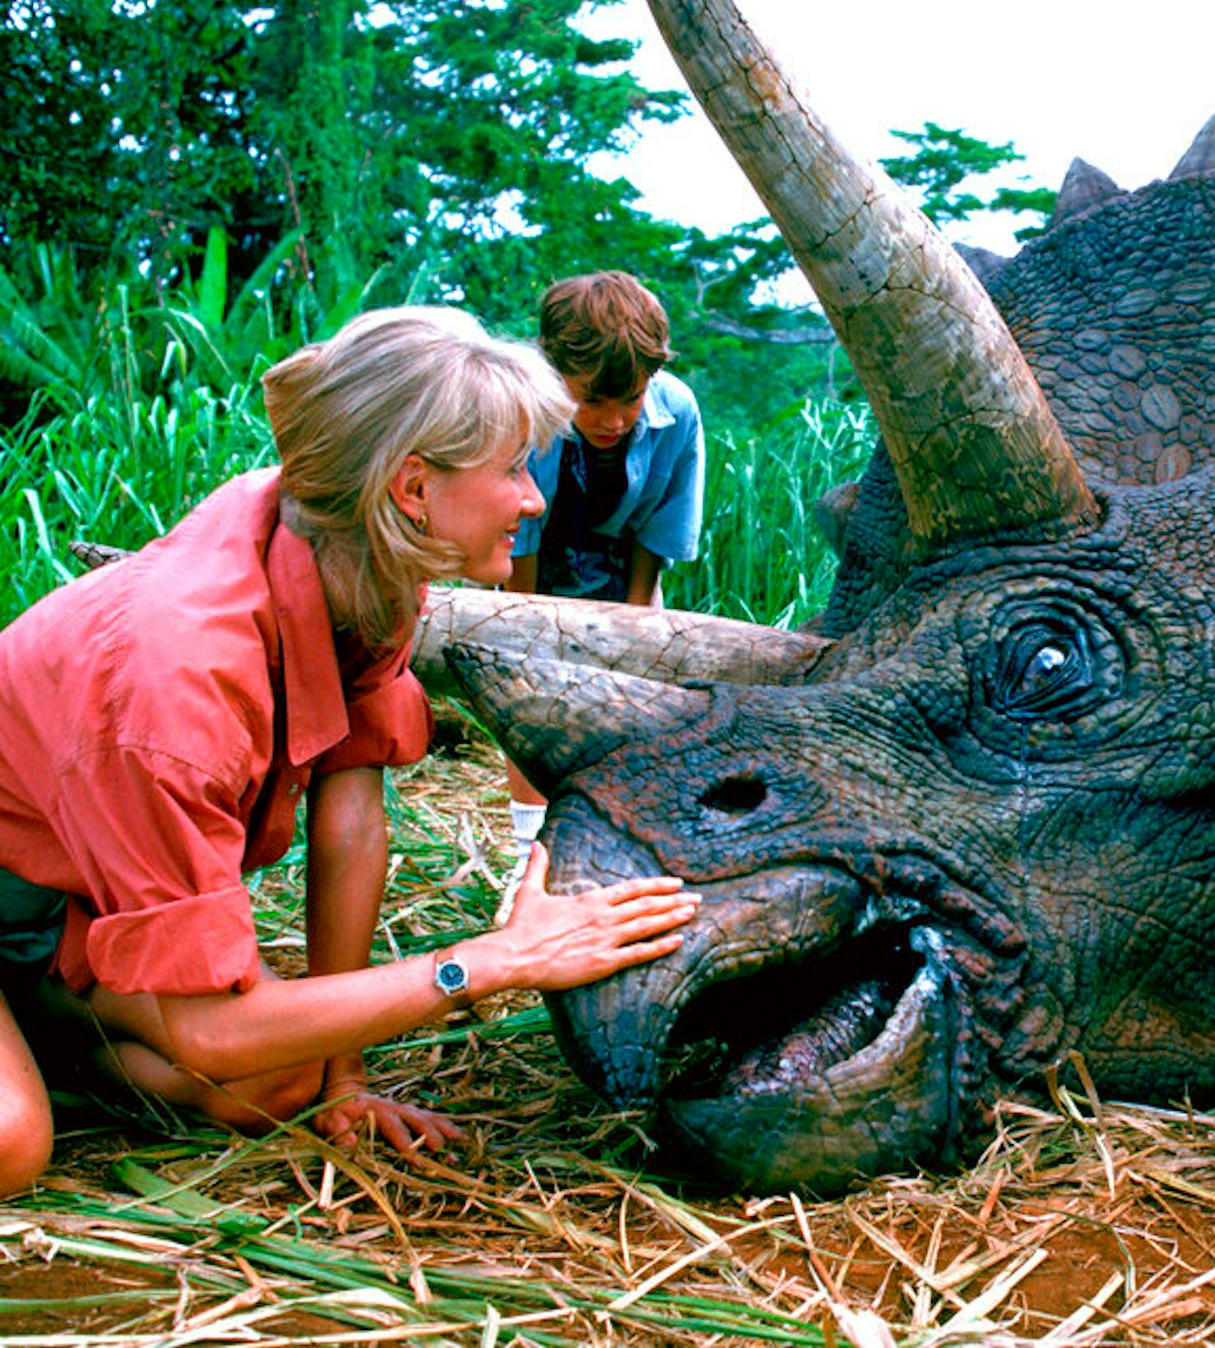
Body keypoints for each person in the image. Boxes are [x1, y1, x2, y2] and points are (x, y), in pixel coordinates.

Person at [0, 307, 701, 1196]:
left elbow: (350, 814)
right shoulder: (178, 683)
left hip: (67, 909)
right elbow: (215, 1030)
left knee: (284, 1078)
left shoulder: (355, 550)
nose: (533, 499)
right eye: (513, 469)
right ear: (412, 487)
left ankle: (50, 1017)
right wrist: (494, 962)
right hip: (20, 893)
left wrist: (346, 1079)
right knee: (12, 1145)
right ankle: (47, 1035)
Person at [501, 272, 705, 845]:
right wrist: (528, 623)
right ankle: (527, 845)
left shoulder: (679, 411)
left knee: (628, 697)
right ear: (555, 376)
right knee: (529, 700)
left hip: (621, 566)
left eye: (630, 399)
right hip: (536, 567)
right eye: (592, 400)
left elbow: (663, 525)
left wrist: (635, 621)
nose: (614, 420)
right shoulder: (523, 409)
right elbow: (518, 531)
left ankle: (616, 835)